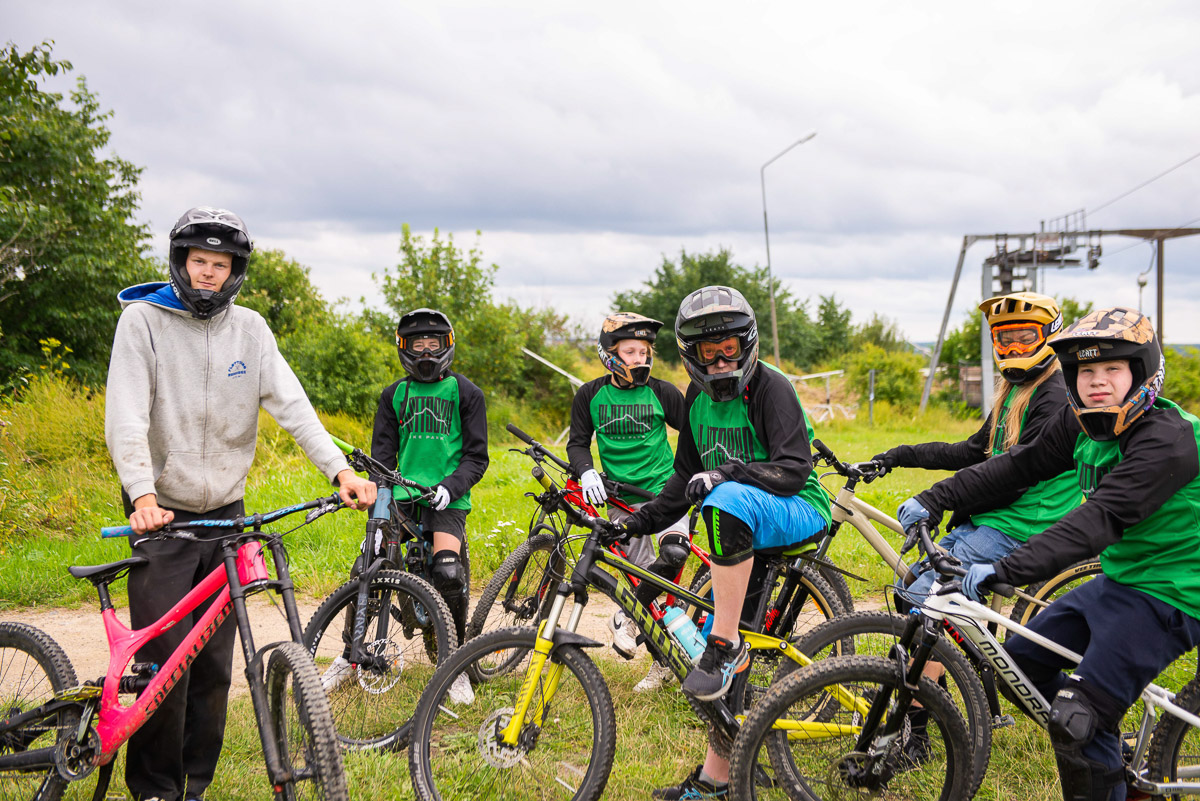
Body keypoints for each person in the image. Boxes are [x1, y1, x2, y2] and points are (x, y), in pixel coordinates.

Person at [105, 206, 377, 801]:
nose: (207, 273)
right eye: (198, 261)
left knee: (213, 668)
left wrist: (340, 470)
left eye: (218, 264)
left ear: (234, 271)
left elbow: (292, 404)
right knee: (163, 667)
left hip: (227, 515)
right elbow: (126, 415)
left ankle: (195, 786)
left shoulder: (250, 329)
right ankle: (155, 789)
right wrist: (143, 495)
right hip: (163, 515)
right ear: (180, 263)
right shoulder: (143, 322)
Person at [908, 307, 1200, 801]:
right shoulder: (1082, 423)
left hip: (1175, 592)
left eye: (1113, 370)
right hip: (1122, 580)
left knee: (1075, 718)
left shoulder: (1168, 440)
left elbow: (1098, 520)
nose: (1098, 383)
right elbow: (1020, 465)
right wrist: (935, 497)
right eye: (1087, 371)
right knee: (1018, 666)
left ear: (1143, 373)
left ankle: (1095, 739)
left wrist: (1004, 569)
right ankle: (1110, 755)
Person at [622, 286, 832, 799]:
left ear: (747, 345)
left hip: (797, 508)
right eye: (707, 353)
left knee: (725, 503)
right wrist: (636, 523)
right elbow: (682, 479)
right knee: (719, 665)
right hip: (740, 523)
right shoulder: (695, 400)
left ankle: (726, 644)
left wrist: (727, 474)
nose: (719, 361)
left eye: (729, 350)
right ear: (691, 356)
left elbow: (793, 468)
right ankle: (717, 781)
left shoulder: (771, 389)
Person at [888, 292, 1080, 603]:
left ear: (1050, 335)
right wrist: (900, 455)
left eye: (1025, 338)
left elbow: (1016, 475)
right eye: (1005, 340)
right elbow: (973, 452)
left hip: (1023, 526)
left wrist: (944, 499)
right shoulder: (1017, 392)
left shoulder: (1054, 395)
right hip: (995, 519)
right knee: (905, 590)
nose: (1014, 349)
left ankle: (946, 649)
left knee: (923, 599)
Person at [367, 308, 488, 702]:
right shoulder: (394, 395)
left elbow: (476, 456)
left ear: (446, 346)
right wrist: (378, 503)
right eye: (416, 344)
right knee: (367, 564)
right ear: (403, 348)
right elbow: (381, 461)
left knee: (449, 572)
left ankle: (453, 664)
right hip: (403, 497)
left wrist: (450, 488)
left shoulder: (466, 393)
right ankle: (353, 655)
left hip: (446, 500)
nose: (424, 351)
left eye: (432, 344)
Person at [567, 312, 688, 692]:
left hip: (667, 494)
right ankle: (662, 662)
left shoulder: (663, 392)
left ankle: (624, 617)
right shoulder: (590, 395)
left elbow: (694, 431)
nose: (640, 359)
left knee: (672, 558)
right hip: (622, 502)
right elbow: (576, 443)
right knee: (642, 580)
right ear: (610, 354)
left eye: (645, 352)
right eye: (631, 351)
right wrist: (586, 471)